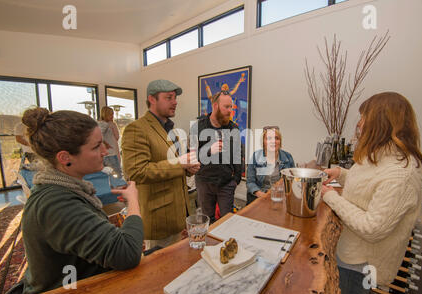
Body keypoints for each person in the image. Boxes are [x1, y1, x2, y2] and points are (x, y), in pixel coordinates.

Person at [17, 107, 143, 294]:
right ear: (65, 158)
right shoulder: (56, 204)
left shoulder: (63, 189)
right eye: (96, 146)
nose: (104, 151)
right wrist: (134, 201)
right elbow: (126, 253)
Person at [321, 92, 422, 294]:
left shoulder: (402, 175)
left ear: (380, 123)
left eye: (363, 117)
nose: (359, 124)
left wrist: (331, 197)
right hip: (349, 253)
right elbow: (372, 186)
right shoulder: (384, 155)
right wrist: (341, 174)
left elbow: (372, 228)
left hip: (359, 265)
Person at [121, 79, 200, 250]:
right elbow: (136, 172)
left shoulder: (171, 129)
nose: (175, 102)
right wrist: (180, 163)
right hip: (159, 218)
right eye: (169, 98)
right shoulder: (136, 129)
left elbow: (174, 167)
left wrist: (188, 169)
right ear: (152, 99)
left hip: (180, 214)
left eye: (175, 98)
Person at [192, 90, 244, 223]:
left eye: (231, 107)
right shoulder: (198, 127)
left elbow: (238, 155)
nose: (230, 110)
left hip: (226, 183)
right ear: (215, 106)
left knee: (227, 221)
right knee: (208, 221)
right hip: (204, 182)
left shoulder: (233, 129)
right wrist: (208, 150)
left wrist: (236, 179)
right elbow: (191, 156)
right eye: (226, 107)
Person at [246, 126, 295, 204]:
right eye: (269, 138)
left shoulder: (288, 157)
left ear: (280, 141)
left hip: (280, 197)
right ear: (263, 142)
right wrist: (261, 195)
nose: (273, 141)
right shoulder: (255, 156)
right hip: (259, 197)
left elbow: (292, 181)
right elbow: (250, 182)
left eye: (276, 138)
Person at [98, 106, 122, 177]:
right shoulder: (106, 124)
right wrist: (106, 143)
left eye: (113, 114)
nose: (112, 116)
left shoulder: (103, 124)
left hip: (109, 154)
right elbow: (99, 136)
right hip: (111, 154)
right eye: (110, 114)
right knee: (117, 176)